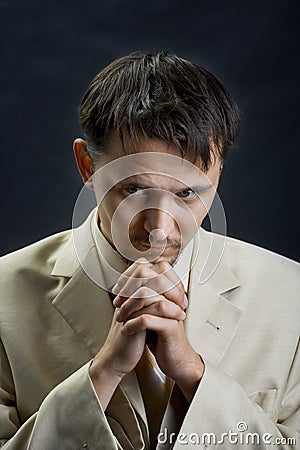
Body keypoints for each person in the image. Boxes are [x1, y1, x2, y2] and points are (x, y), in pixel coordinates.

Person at [0, 51, 299, 450]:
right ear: (87, 166)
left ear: (219, 172)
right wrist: (102, 375)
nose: (159, 229)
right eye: (134, 189)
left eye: (188, 193)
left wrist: (195, 375)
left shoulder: (292, 297)